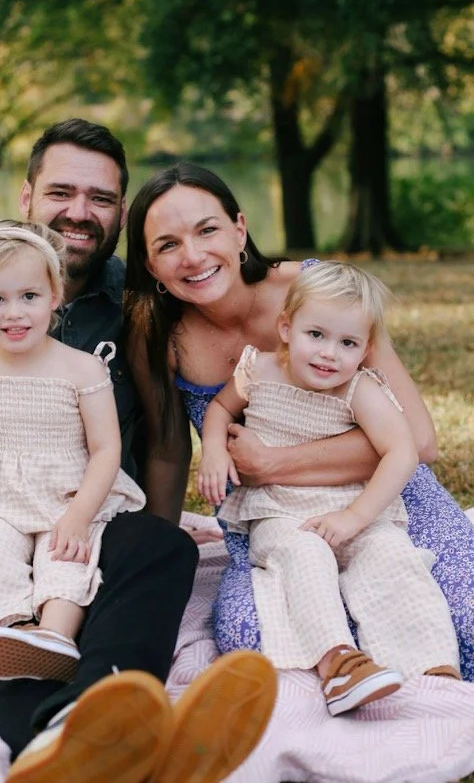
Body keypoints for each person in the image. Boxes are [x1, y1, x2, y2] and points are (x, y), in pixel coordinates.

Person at [0, 121, 277, 783]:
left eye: (101, 198)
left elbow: (161, 435)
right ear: (26, 196)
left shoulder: (134, 298)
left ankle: (95, 718)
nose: (79, 212)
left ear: (121, 213)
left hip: (83, 514)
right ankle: (54, 734)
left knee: (164, 548)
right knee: (4, 605)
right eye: (61, 191)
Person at [123, 161, 474, 680]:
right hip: (274, 521)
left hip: (381, 498)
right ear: (151, 266)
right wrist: (153, 547)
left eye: (207, 229)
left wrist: (273, 463)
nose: (193, 256)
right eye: (168, 245)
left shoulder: (321, 292)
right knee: (249, 637)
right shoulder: (161, 335)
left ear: (240, 228)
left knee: (461, 616)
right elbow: (168, 450)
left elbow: (419, 441)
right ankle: (350, 671)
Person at [197, 260, 460, 715]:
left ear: (365, 350)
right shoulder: (257, 371)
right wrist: (215, 452)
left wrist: (357, 517)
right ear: (286, 328)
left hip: (354, 508)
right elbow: (220, 410)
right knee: (305, 557)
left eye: (347, 343)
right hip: (281, 512)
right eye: (315, 335)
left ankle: (433, 670)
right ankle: (339, 662)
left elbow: (403, 450)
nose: (328, 354)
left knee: (393, 559)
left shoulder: (361, 390)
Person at [0, 220, 146, 733]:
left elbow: (105, 449)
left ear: (55, 295)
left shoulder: (83, 369)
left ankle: (52, 640)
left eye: (29, 296)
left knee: (68, 558)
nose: (14, 313)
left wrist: (78, 515)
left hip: (68, 496)